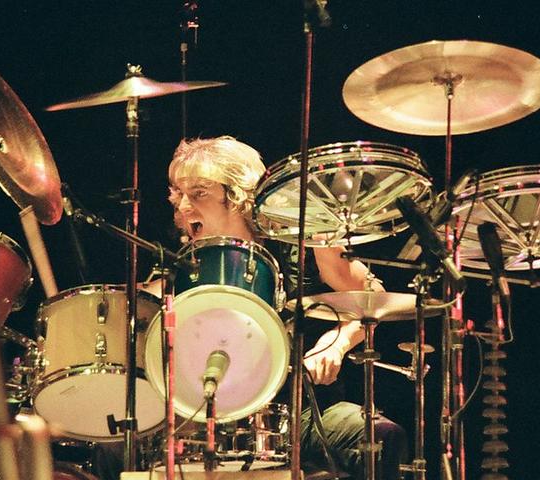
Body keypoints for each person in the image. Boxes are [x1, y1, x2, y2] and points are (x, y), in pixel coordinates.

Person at [167, 136, 408, 479]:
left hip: (303, 411)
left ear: (237, 196)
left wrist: (336, 345)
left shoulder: (301, 243)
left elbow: (371, 298)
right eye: (179, 194)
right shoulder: (181, 264)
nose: (183, 207)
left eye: (199, 193)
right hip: (208, 418)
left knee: (383, 437)